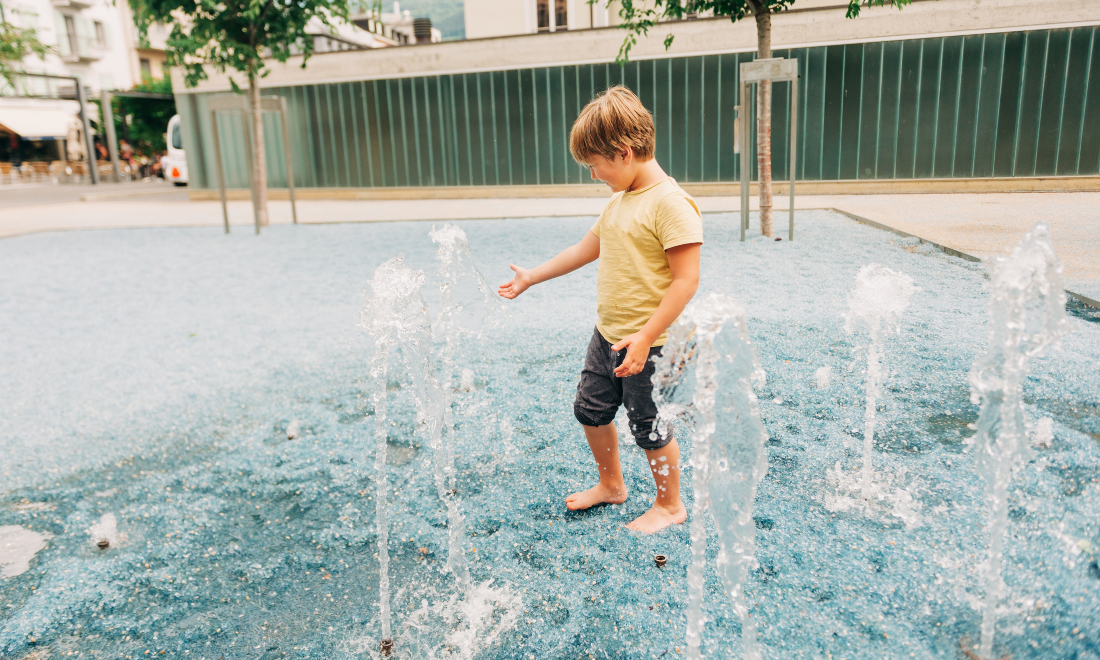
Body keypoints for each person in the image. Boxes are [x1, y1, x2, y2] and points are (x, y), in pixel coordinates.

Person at [497, 86, 703, 534]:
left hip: (653, 344)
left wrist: (646, 336)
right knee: (590, 409)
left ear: (624, 153)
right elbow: (584, 249)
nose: (593, 174)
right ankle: (612, 485)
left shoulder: (671, 204)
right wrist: (532, 276)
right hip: (608, 334)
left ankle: (670, 505)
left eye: (595, 164)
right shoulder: (619, 201)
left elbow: (687, 281)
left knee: (648, 426)